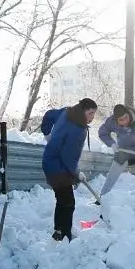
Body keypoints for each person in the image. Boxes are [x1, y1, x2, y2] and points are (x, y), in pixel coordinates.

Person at [42, 97, 98, 241]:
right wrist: (77, 171)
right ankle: (64, 234)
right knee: (68, 202)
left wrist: (47, 133)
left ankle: (60, 231)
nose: (92, 117)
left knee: (63, 200)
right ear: (83, 111)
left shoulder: (66, 112)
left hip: (50, 162)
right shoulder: (77, 129)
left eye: (94, 113)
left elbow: (49, 115)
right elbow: (68, 156)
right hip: (58, 166)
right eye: (91, 113)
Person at [97, 104, 135, 196]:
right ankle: (102, 197)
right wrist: (111, 143)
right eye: (121, 120)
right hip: (123, 151)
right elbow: (103, 133)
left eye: (126, 117)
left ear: (128, 114)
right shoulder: (111, 122)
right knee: (113, 173)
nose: (125, 121)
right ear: (116, 120)